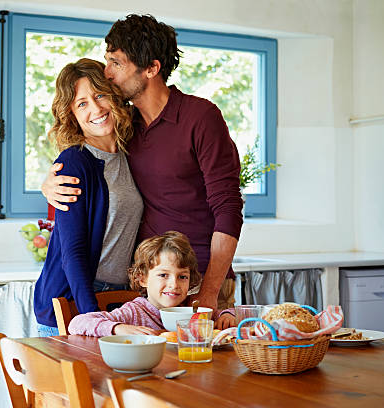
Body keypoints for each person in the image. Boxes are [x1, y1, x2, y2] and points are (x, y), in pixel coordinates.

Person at [42, 15, 243, 324]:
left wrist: (210, 292)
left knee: (207, 372)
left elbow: (228, 207)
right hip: (148, 290)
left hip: (200, 282)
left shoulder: (200, 117)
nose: (106, 73)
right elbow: (89, 164)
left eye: (116, 64)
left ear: (151, 68)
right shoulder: (126, 127)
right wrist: (49, 183)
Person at [33, 58, 143, 337]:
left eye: (99, 95)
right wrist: (93, 319)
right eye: (82, 103)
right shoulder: (74, 163)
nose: (96, 109)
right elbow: (73, 252)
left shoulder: (129, 154)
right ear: (71, 114)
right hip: (72, 305)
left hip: (117, 300)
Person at [68, 231, 236, 337]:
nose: (174, 284)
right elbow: (77, 323)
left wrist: (226, 316)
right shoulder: (134, 312)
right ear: (143, 279)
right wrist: (117, 328)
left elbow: (226, 313)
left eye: (182, 277)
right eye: (164, 275)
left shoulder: (191, 309)